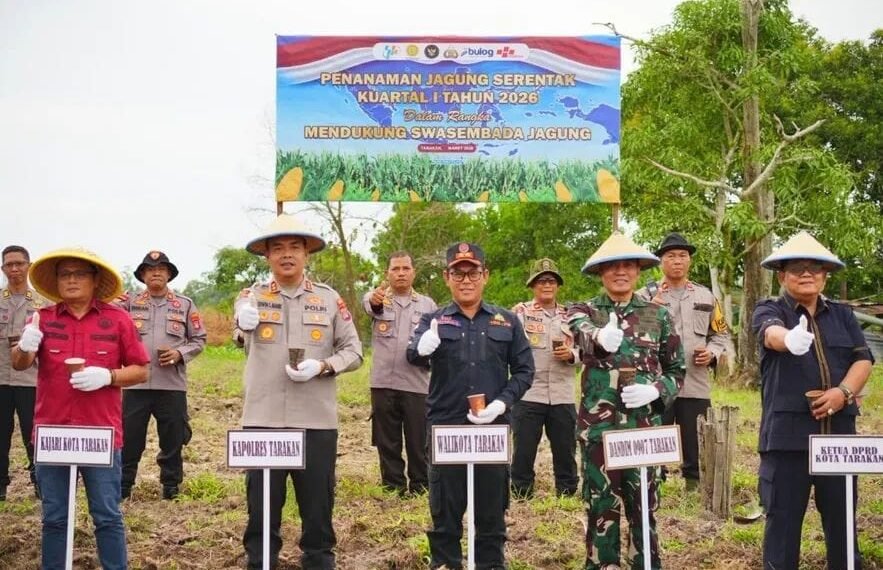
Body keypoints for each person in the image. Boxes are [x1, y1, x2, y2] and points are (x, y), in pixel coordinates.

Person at [233, 214, 363, 570]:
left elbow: (353, 351)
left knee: (318, 505)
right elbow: (239, 327)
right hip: (263, 419)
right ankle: (261, 562)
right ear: (267, 256)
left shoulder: (329, 299)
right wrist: (243, 322)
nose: (286, 254)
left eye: (294, 247)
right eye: (277, 248)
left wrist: (322, 366)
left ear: (307, 254)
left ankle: (319, 562)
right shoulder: (251, 297)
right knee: (261, 503)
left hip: (315, 420)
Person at [11, 247, 149, 570]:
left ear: (94, 279)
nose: (71, 280)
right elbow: (19, 364)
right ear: (57, 281)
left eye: (79, 274)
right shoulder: (41, 319)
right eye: (64, 274)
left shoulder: (117, 320)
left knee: (107, 515)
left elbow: (141, 369)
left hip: (100, 434)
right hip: (53, 432)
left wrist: (109, 376)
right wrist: (25, 345)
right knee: (55, 517)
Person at [406, 242, 534, 570]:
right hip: (446, 431)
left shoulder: (507, 321)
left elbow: (524, 370)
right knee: (445, 516)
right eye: (458, 273)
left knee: (491, 516)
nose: (466, 279)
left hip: (492, 431)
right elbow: (412, 355)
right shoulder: (433, 320)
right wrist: (422, 347)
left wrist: (502, 404)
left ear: (485, 276)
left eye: (473, 272)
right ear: (447, 277)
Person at [752, 231, 873, 570]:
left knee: (842, 523)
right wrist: (789, 338)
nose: (806, 274)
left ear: (825, 275)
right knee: (783, 526)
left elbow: (863, 360)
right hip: (788, 441)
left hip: (838, 438)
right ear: (782, 275)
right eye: (797, 268)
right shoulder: (769, 309)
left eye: (815, 268)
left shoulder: (843, 315)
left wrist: (843, 392)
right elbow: (769, 333)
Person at [567, 232, 685, 570]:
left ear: (638, 271)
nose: (621, 272)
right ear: (601, 273)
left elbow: (677, 368)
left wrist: (657, 390)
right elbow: (579, 330)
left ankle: (644, 564)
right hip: (599, 429)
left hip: (643, 430)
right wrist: (600, 337)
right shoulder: (585, 309)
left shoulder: (656, 315)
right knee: (601, 505)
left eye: (628, 266)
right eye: (613, 267)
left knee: (643, 507)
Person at [636, 232, 729, 490]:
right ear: (661, 261)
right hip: (657, 380)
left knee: (695, 436)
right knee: (656, 433)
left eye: (682, 256)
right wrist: (649, 312)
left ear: (689, 261)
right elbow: (633, 335)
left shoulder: (705, 296)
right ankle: (655, 485)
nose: (677, 260)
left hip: (695, 381)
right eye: (671, 256)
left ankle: (693, 486)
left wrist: (711, 352)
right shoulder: (645, 296)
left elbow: (720, 333)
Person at [117, 251, 206, 500]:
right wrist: (112, 302)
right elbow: (109, 325)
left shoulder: (185, 304)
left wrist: (179, 353)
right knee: (130, 437)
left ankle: (171, 486)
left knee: (173, 437)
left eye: (162, 269)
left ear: (169, 274)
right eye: (150, 269)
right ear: (143, 275)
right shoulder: (128, 303)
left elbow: (199, 339)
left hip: (171, 385)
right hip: (135, 383)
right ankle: (123, 486)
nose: (156, 272)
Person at [363, 251, 437, 495]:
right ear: (388, 273)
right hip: (383, 383)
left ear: (414, 272)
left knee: (419, 442)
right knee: (387, 441)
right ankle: (393, 487)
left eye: (406, 268)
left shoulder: (428, 305)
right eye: (395, 269)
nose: (401, 273)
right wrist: (374, 298)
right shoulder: (378, 300)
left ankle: (420, 486)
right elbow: (370, 304)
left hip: (416, 384)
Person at [510, 257, 580, 499]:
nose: (547, 285)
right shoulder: (520, 313)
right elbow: (509, 346)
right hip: (530, 392)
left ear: (558, 285)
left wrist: (572, 355)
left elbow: (588, 350)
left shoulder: (572, 315)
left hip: (562, 393)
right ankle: (521, 494)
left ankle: (568, 494)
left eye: (551, 281)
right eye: (541, 281)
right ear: (532, 285)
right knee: (523, 450)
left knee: (566, 449)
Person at [0, 245, 46, 501]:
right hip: (1, 379)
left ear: (29, 266)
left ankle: (39, 482)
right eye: (9, 264)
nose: (15, 269)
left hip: (32, 380)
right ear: (3, 269)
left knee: (34, 434)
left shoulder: (44, 304)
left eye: (19, 263)